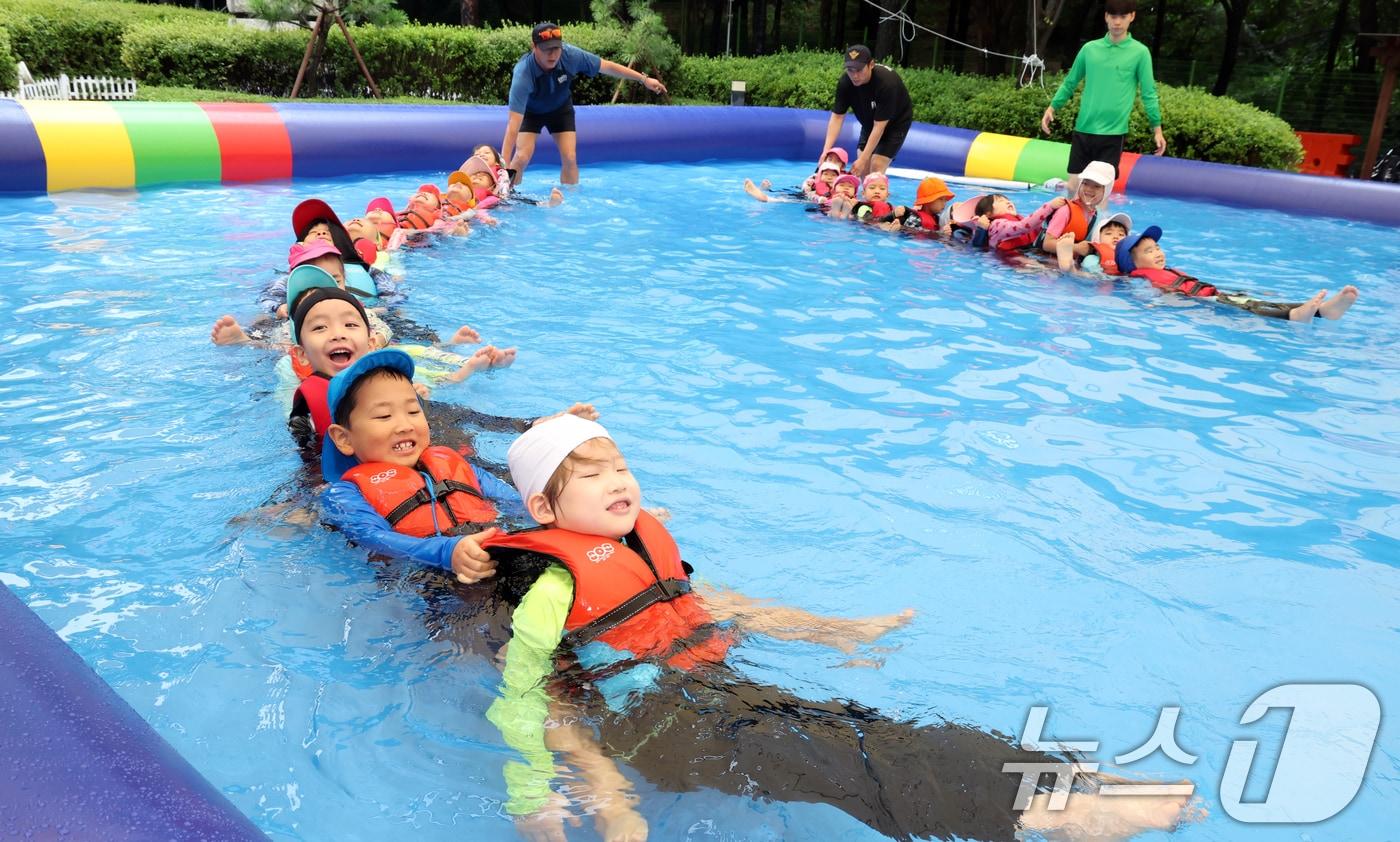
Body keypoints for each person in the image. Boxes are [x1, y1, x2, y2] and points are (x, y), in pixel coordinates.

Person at [475, 415, 1196, 841]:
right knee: (836, 764)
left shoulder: (640, 547)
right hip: (668, 729)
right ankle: (1038, 818)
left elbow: (718, 609)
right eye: (593, 476)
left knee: (868, 728)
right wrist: (573, 786)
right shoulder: (551, 586)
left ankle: (1053, 777)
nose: (618, 482)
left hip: (716, 693)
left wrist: (832, 630)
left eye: (621, 466)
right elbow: (529, 697)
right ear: (544, 512)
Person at [501, 22, 668, 187]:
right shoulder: (523, 73)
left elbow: (607, 66)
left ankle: (570, 201)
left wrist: (643, 79)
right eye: (546, 49)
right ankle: (506, 191)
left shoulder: (570, 55)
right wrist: (502, 168)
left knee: (570, 157)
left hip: (560, 110)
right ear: (534, 47)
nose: (552, 55)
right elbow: (513, 127)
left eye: (556, 48)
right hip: (532, 112)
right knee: (522, 157)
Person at [1114, 226, 1360, 321]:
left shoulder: (1168, 270)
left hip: (1214, 296)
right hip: (1202, 304)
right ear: (1134, 264)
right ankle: (1296, 316)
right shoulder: (1139, 279)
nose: (1157, 251)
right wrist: (1152, 305)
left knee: (1255, 301)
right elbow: (1145, 296)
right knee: (1250, 308)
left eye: (1157, 247)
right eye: (1148, 250)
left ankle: (1323, 310)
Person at [1041, 0, 1165, 178]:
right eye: (1113, 16)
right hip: (1083, 129)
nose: (1117, 22)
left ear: (1132, 16)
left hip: (1113, 136)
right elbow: (1070, 82)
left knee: (1102, 195)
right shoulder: (1089, 49)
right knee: (1073, 190)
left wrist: (1157, 129)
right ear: (1106, 17)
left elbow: (1149, 93)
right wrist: (1052, 107)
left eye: (1122, 17)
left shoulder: (1140, 53)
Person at [819, 45, 914, 178]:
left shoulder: (886, 83)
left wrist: (863, 159)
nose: (855, 75)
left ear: (871, 65)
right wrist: (826, 151)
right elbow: (837, 117)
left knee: (875, 167)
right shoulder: (846, 83)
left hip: (895, 124)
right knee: (863, 172)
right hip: (869, 122)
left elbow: (879, 127)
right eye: (850, 70)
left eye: (859, 70)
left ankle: (879, 195)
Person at [1038, 160, 1113, 270]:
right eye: (1085, 183)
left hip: (1071, 264)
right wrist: (1076, 248)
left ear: (1106, 191)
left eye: (1096, 186)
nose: (1089, 189)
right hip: (1045, 263)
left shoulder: (1099, 216)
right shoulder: (1065, 211)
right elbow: (1047, 244)